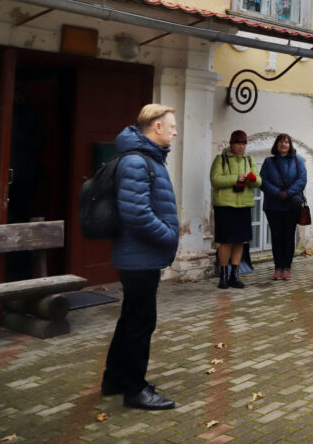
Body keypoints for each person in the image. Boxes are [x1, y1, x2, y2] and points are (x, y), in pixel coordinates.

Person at [101, 104, 179, 410]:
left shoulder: (146, 157)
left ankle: (115, 379)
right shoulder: (136, 160)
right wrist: (169, 235)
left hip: (139, 255)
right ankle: (134, 389)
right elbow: (136, 213)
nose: (174, 131)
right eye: (171, 125)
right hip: (139, 256)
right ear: (156, 127)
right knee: (141, 322)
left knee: (131, 318)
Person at [210, 130, 261, 289]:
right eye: (238, 143)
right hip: (225, 206)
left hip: (243, 206)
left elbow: (258, 181)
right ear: (231, 143)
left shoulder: (249, 159)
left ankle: (235, 275)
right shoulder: (221, 159)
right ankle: (223, 275)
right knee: (225, 241)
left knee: (240, 241)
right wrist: (236, 179)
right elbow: (215, 179)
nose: (241, 146)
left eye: (244, 143)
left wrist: (252, 179)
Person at [259, 134, 308, 280]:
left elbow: (302, 180)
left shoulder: (297, 160)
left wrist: (287, 193)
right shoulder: (269, 162)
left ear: (290, 145)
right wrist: (276, 193)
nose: (283, 144)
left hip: (290, 205)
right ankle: (278, 267)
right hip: (273, 205)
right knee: (277, 236)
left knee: (288, 236)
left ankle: (287, 267)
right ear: (276, 145)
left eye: (286, 142)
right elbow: (262, 181)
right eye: (281, 142)